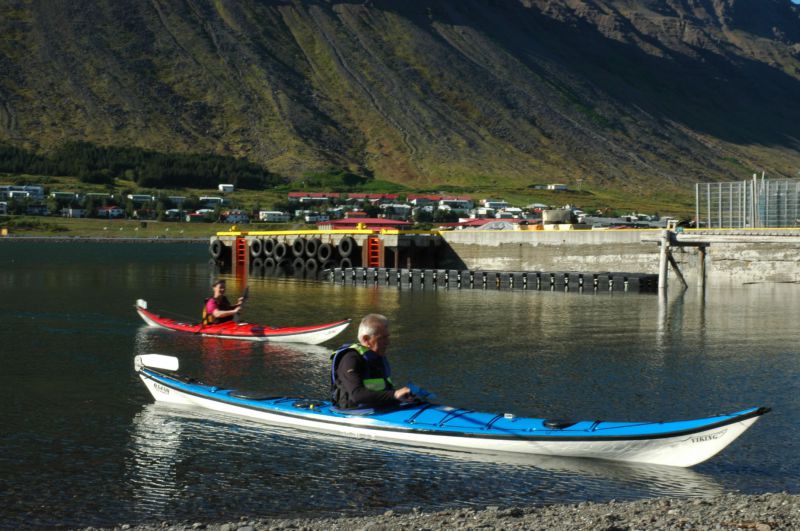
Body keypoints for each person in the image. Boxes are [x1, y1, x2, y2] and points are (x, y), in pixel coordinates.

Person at [330, 314, 413, 409]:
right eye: (383, 338)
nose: (388, 342)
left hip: (379, 410)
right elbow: (357, 395)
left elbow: (384, 392)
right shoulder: (349, 358)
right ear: (366, 339)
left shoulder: (376, 358)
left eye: (388, 337)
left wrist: (404, 397)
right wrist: (395, 394)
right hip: (354, 413)